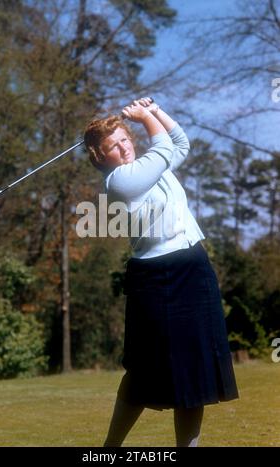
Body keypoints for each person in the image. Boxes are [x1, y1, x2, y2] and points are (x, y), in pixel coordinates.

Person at [83, 97, 239, 447]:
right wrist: (142, 118)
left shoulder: (156, 166)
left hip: (193, 268)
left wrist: (153, 111)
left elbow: (179, 142)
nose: (123, 149)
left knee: (196, 369)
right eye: (112, 146)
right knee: (143, 370)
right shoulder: (120, 182)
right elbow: (164, 145)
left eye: (125, 139)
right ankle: (109, 449)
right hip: (155, 279)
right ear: (100, 157)